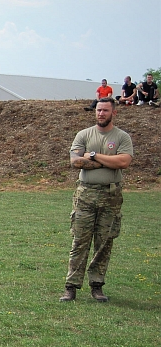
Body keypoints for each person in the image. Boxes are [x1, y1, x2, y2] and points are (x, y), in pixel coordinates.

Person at [61, 97, 134, 303]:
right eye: (98, 110)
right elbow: (76, 162)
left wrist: (93, 156)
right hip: (85, 195)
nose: (101, 114)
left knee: (104, 242)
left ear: (113, 113)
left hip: (111, 196)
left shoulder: (122, 137)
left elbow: (124, 161)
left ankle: (97, 286)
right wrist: (108, 161)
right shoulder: (83, 134)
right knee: (79, 241)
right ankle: (71, 287)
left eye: (105, 111)